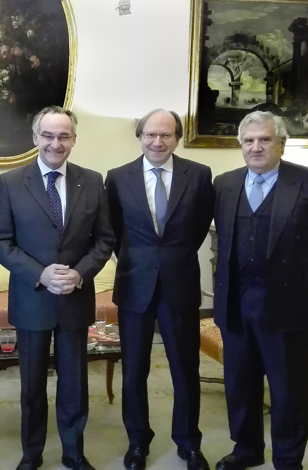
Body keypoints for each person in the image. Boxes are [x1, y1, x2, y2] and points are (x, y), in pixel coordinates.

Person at [0, 106, 115, 470]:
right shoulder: (11, 183)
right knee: (31, 388)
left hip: (75, 299)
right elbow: (0, 240)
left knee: (74, 385)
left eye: (63, 136)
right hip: (33, 299)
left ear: (73, 139)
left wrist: (80, 273)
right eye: (48, 135)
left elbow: (104, 239)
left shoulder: (92, 181)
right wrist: (40, 274)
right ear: (35, 138)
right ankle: (32, 455)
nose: (55, 143)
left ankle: (74, 454)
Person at [212, 111, 308, 470]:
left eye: (265, 139)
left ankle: (287, 460)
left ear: (281, 143)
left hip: (287, 305)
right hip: (236, 302)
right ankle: (247, 449)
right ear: (240, 145)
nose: (256, 147)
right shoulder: (224, 184)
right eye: (249, 141)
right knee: (240, 384)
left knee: (288, 391)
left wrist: (299, 284)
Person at [105, 109, 214, 470]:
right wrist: (142, 261)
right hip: (135, 285)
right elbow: (115, 232)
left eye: (166, 135)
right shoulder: (118, 178)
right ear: (139, 137)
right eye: (150, 134)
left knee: (185, 367)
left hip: (180, 284)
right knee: (134, 370)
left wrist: (170, 258)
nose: (157, 141)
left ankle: (188, 442)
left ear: (177, 138)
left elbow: (197, 228)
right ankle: (138, 442)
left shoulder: (198, 175)